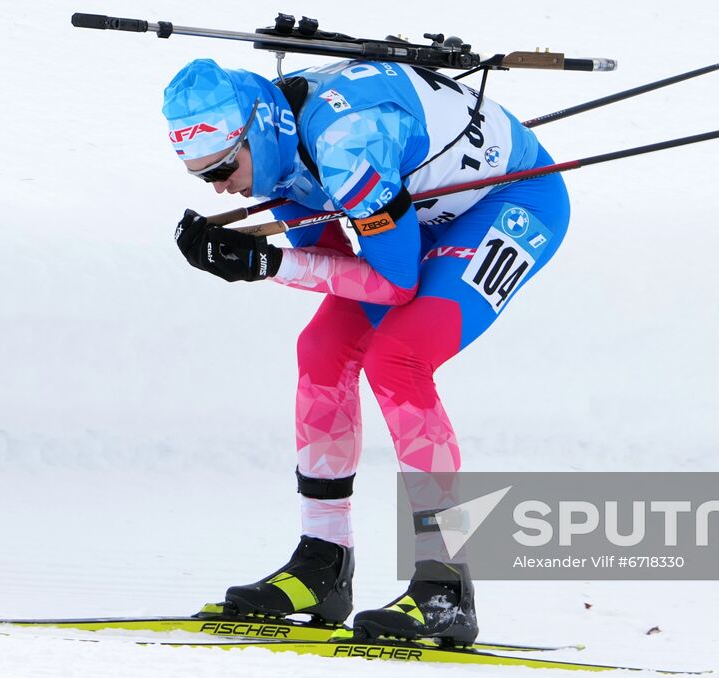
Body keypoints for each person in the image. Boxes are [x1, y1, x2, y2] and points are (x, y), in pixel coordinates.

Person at [163, 56, 569, 645]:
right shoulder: (279, 151)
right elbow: (337, 261)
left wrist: (267, 263)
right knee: (323, 350)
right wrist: (264, 258)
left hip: (510, 203)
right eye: (205, 178)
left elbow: (394, 282)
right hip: (422, 214)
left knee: (398, 359)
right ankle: (322, 564)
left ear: (255, 130)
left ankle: (445, 585)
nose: (221, 186)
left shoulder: (345, 145)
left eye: (225, 167)